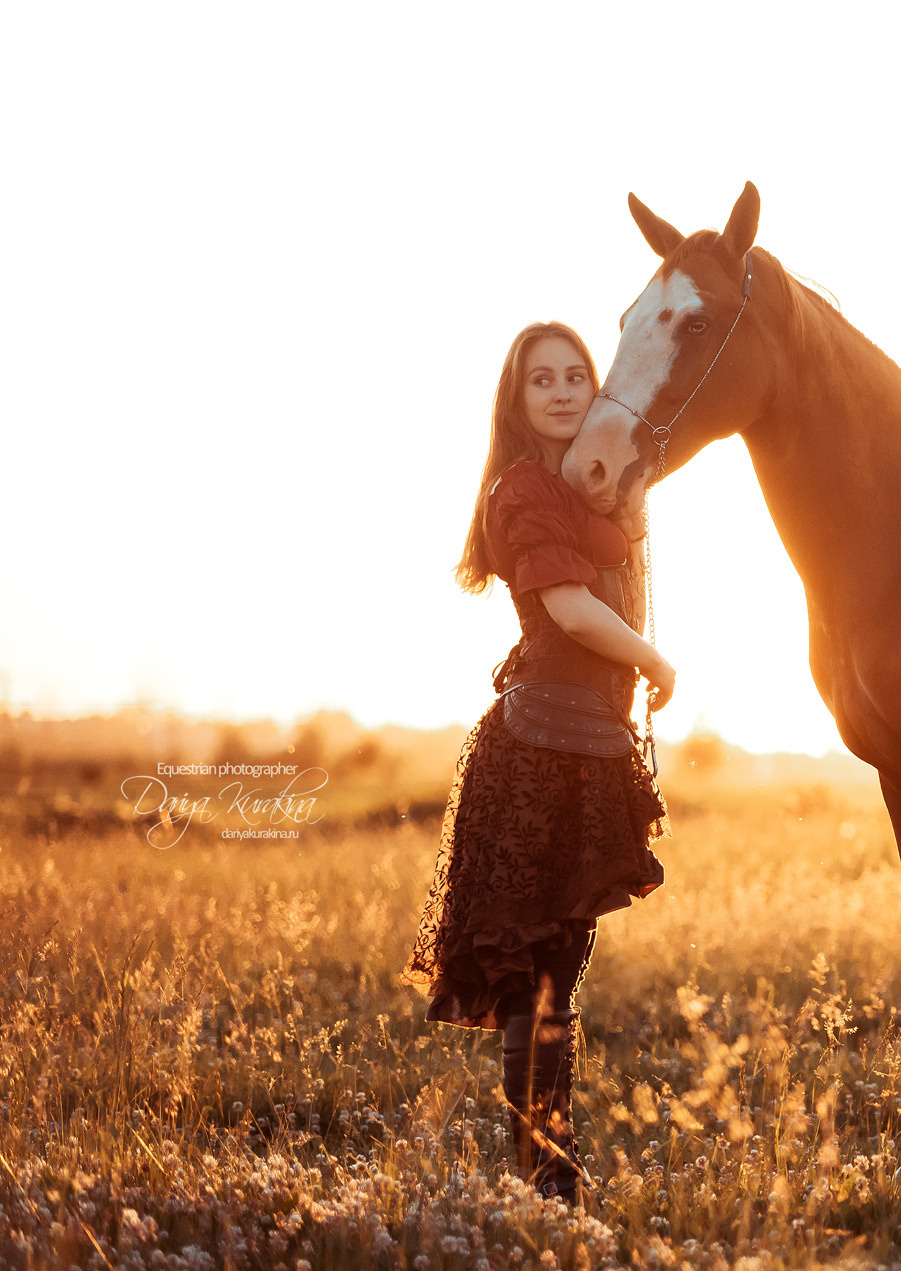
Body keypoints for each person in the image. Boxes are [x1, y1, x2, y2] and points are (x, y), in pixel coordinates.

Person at [401, 321, 677, 1204]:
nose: (561, 392)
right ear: (516, 401)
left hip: (591, 751)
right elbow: (569, 608)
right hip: (534, 758)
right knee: (532, 980)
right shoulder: (522, 489)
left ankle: (550, 1171)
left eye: (574, 376)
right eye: (541, 380)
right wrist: (654, 659)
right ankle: (544, 1178)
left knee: (561, 974)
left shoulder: (588, 493)